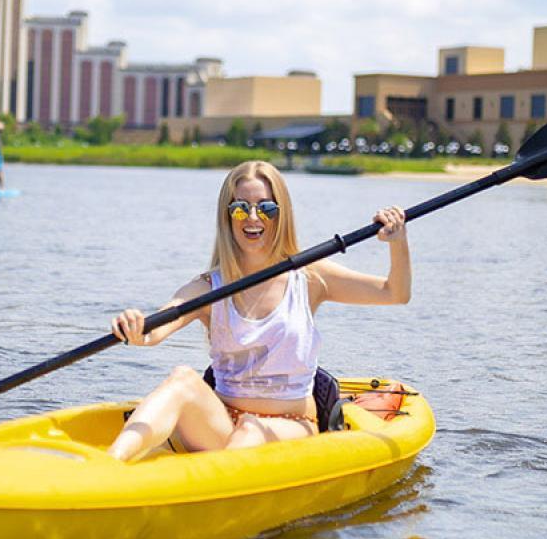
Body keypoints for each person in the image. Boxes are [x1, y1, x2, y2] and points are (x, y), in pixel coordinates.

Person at [107, 160, 410, 461]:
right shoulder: (208, 287)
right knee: (182, 379)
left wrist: (397, 242)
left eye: (266, 208)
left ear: (282, 215)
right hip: (222, 424)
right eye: (240, 208)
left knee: (251, 430)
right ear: (227, 217)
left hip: (293, 425)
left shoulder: (310, 277)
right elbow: (154, 331)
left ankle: (210, 491)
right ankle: (111, 464)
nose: (252, 217)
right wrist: (135, 328)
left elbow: (394, 293)